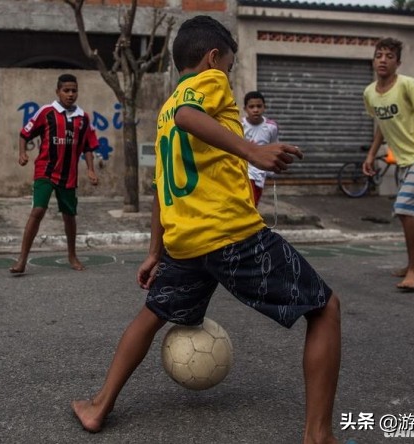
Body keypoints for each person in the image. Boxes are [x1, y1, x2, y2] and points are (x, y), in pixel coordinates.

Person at [71, 16, 342, 444]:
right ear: (213, 57)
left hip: (185, 242)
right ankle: (319, 434)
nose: (229, 76)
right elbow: (188, 115)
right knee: (325, 309)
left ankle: (98, 405)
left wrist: (154, 251)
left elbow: (162, 185)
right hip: (230, 234)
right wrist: (253, 149)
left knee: (152, 315)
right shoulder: (204, 85)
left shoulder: (162, 112)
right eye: (230, 66)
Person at [362, 37, 414, 292]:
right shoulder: (369, 93)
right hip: (405, 161)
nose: (383, 60)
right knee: (411, 215)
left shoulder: (407, 84)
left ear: (398, 63)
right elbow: (381, 125)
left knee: (404, 209)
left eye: (389, 56)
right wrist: (371, 155)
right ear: (374, 59)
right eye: (379, 55)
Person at [9, 74, 99, 273]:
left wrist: (91, 170)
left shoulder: (83, 118)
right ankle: (22, 259)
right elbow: (25, 133)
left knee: (69, 215)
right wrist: (22, 153)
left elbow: (88, 147)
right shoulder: (46, 112)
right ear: (57, 92)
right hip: (45, 170)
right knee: (38, 211)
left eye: (74, 90)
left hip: (69, 175)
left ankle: (72, 255)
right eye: (66, 90)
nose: (70, 94)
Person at [242, 90, 279, 205]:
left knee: (253, 205)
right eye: (251, 107)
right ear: (245, 109)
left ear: (264, 107)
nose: (255, 110)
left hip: (260, 173)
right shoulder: (240, 125)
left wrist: (272, 167)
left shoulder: (271, 127)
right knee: (247, 204)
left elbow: (274, 146)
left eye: (259, 106)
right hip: (244, 171)